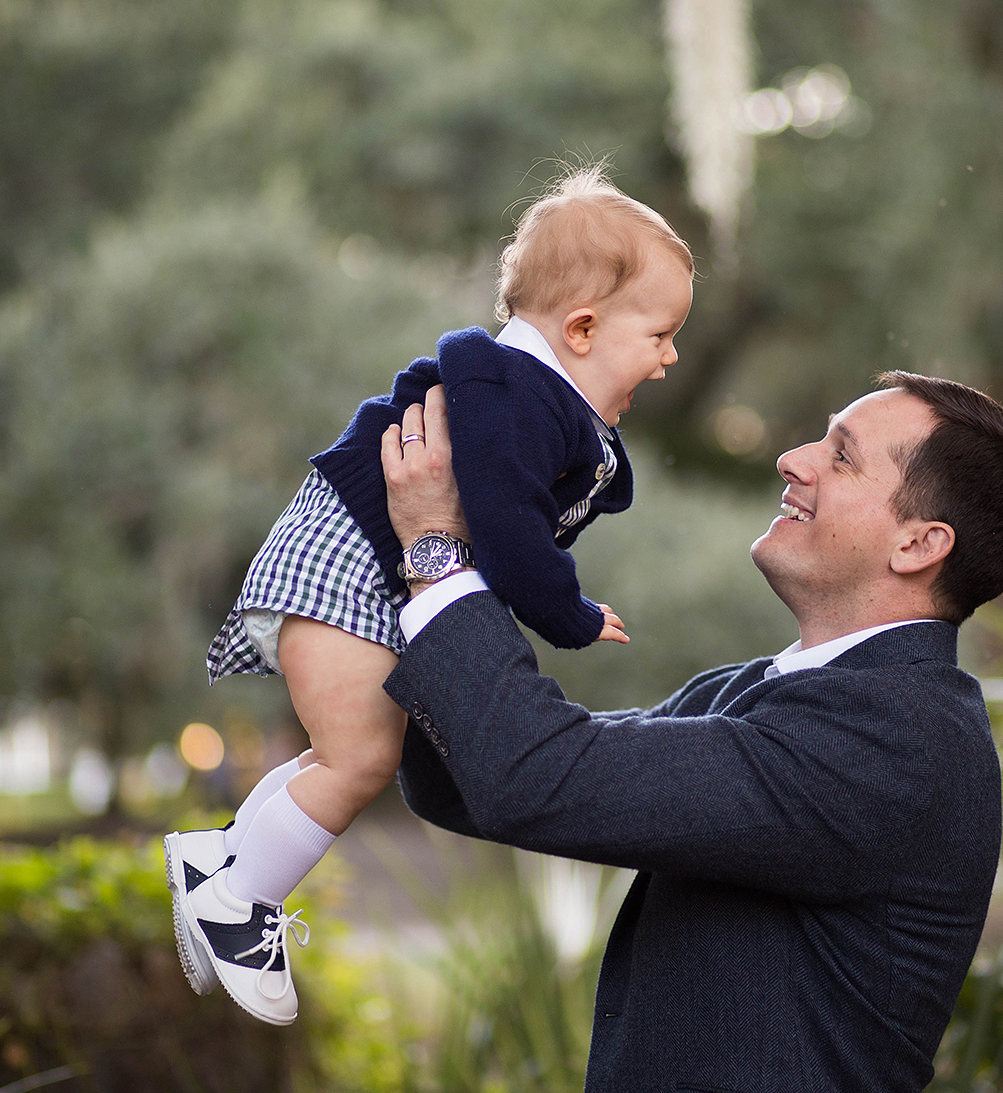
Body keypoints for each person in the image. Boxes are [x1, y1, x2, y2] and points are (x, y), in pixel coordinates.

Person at [378, 370, 1003, 1093]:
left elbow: (534, 773)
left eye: (839, 453)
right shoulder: (750, 693)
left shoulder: (901, 741)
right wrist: (463, 554)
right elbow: (476, 780)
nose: (793, 460)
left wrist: (440, 554)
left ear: (920, 543)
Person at [164, 171, 695, 1025]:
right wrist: (568, 612)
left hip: (360, 565)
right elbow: (508, 526)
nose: (671, 358)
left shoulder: (533, 399)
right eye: (662, 334)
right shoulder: (514, 395)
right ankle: (237, 908)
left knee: (345, 753)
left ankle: (219, 863)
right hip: (348, 561)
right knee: (359, 761)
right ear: (584, 328)